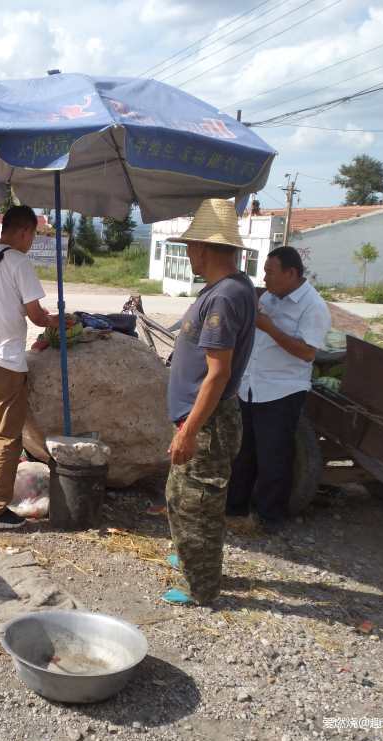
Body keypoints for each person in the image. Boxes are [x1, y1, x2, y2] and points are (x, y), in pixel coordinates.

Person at [164, 198, 257, 606]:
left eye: (190, 246)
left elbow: (217, 373)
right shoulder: (228, 289)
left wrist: (190, 430)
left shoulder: (223, 297)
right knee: (182, 498)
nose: (188, 254)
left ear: (204, 248)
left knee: (197, 504)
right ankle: (192, 558)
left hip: (207, 422)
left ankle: (201, 587)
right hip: (201, 418)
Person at [0, 205, 60, 530]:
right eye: (33, 234)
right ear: (24, 232)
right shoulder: (19, 262)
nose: (32, 241)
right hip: (4, 362)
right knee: (5, 439)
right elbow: (35, 315)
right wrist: (52, 321)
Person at [227, 246, 331, 532]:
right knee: (243, 452)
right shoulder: (271, 297)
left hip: (282, 391)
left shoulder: (314, 307)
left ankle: (268, 518)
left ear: (291, 273)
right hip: (251, 386)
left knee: (274, 457)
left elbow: (308, 353)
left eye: (270, 272)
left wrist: (270, 328)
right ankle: (235, 509)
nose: (265, 278)